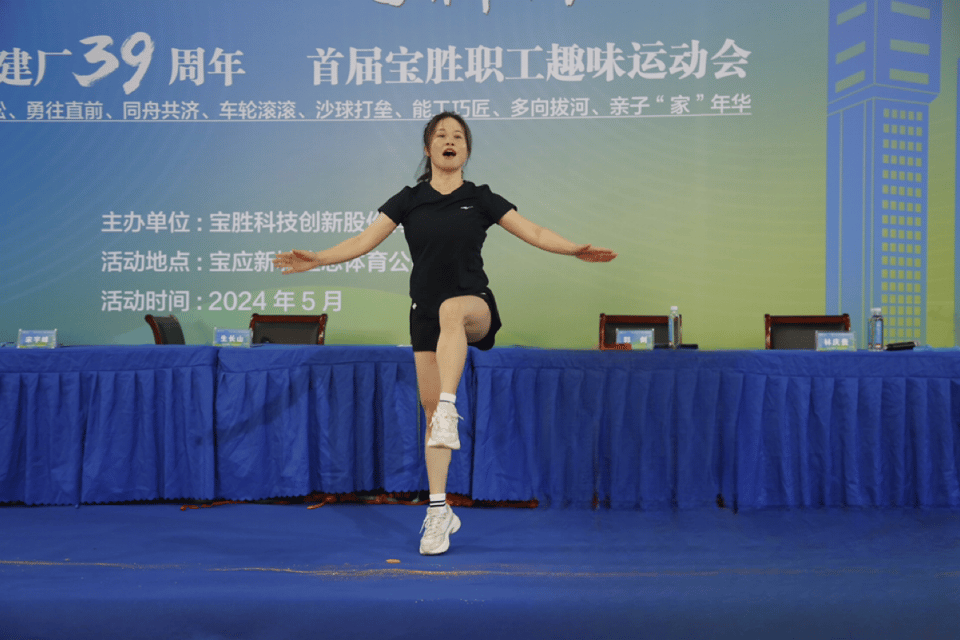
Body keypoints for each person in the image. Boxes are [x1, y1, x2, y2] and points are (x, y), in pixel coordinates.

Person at [273, 112, 616, 555]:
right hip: (424, 316)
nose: (449, 141)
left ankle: (451, 407)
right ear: (428, 148)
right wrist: (318, 259)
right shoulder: (409, 199)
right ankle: (438, 512)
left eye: (458, 136)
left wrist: (573, 249)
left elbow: (532, 230)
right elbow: (362, 241)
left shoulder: (481, 197)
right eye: (441, 135)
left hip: (474, 307)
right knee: (432, 415)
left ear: (466, 151)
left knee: (452, 315)